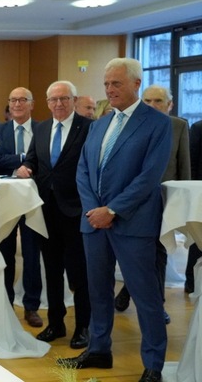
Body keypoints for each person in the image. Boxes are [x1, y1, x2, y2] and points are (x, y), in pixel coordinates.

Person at [63, 58, 171, 382]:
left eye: (116, 83)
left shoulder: (157, 123)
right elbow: (83, 171)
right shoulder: (99, 124)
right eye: (106, 84)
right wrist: (94, 210)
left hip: (133, 224)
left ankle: (153, 364)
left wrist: (112, 210)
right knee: (97, 291)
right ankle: (99, 349)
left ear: (136, 84)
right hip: (93, 223)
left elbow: (149, 176)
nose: (109, 89)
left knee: (145, 296)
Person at [16, 81, 92, 350]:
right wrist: (25, 167)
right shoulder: (42, 128)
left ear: (74, 100)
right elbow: (33, 160)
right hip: (46, 210)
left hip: (77, 211)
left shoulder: (88, 127)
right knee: (52, 270)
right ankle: (56, 323)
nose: (58, 104)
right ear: (47, 103)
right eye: (53, 99)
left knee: (79, 273)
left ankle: (83, 326)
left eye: (64, 98)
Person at [115, 84, 189, 324]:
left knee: (158, 253)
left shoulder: (178, 126)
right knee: (137, 253)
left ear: (170, 105)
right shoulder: (131, 124)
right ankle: (130, 290)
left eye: (158, 101)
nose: (152, 106)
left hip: (163, 201)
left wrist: (181, 205)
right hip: (133, 200)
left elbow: (183, 166)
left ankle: (158, 306)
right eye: (147, 101)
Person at [0, 87, 43, 328]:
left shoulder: (42, 130)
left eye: (23, 100)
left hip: (34, 201)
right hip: (6, 202)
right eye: (13, 100)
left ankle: (31, 306)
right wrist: (23, 159)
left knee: (32, 255)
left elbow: (46, 159)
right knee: (5, 253)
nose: (17, 104)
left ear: (32, 104)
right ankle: (6, 305)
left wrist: (29, 165)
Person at [189, 119, 202, 294]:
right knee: (198, 239)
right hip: (200, 191)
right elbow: (191, 161)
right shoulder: (198, 127)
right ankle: (191, 281)